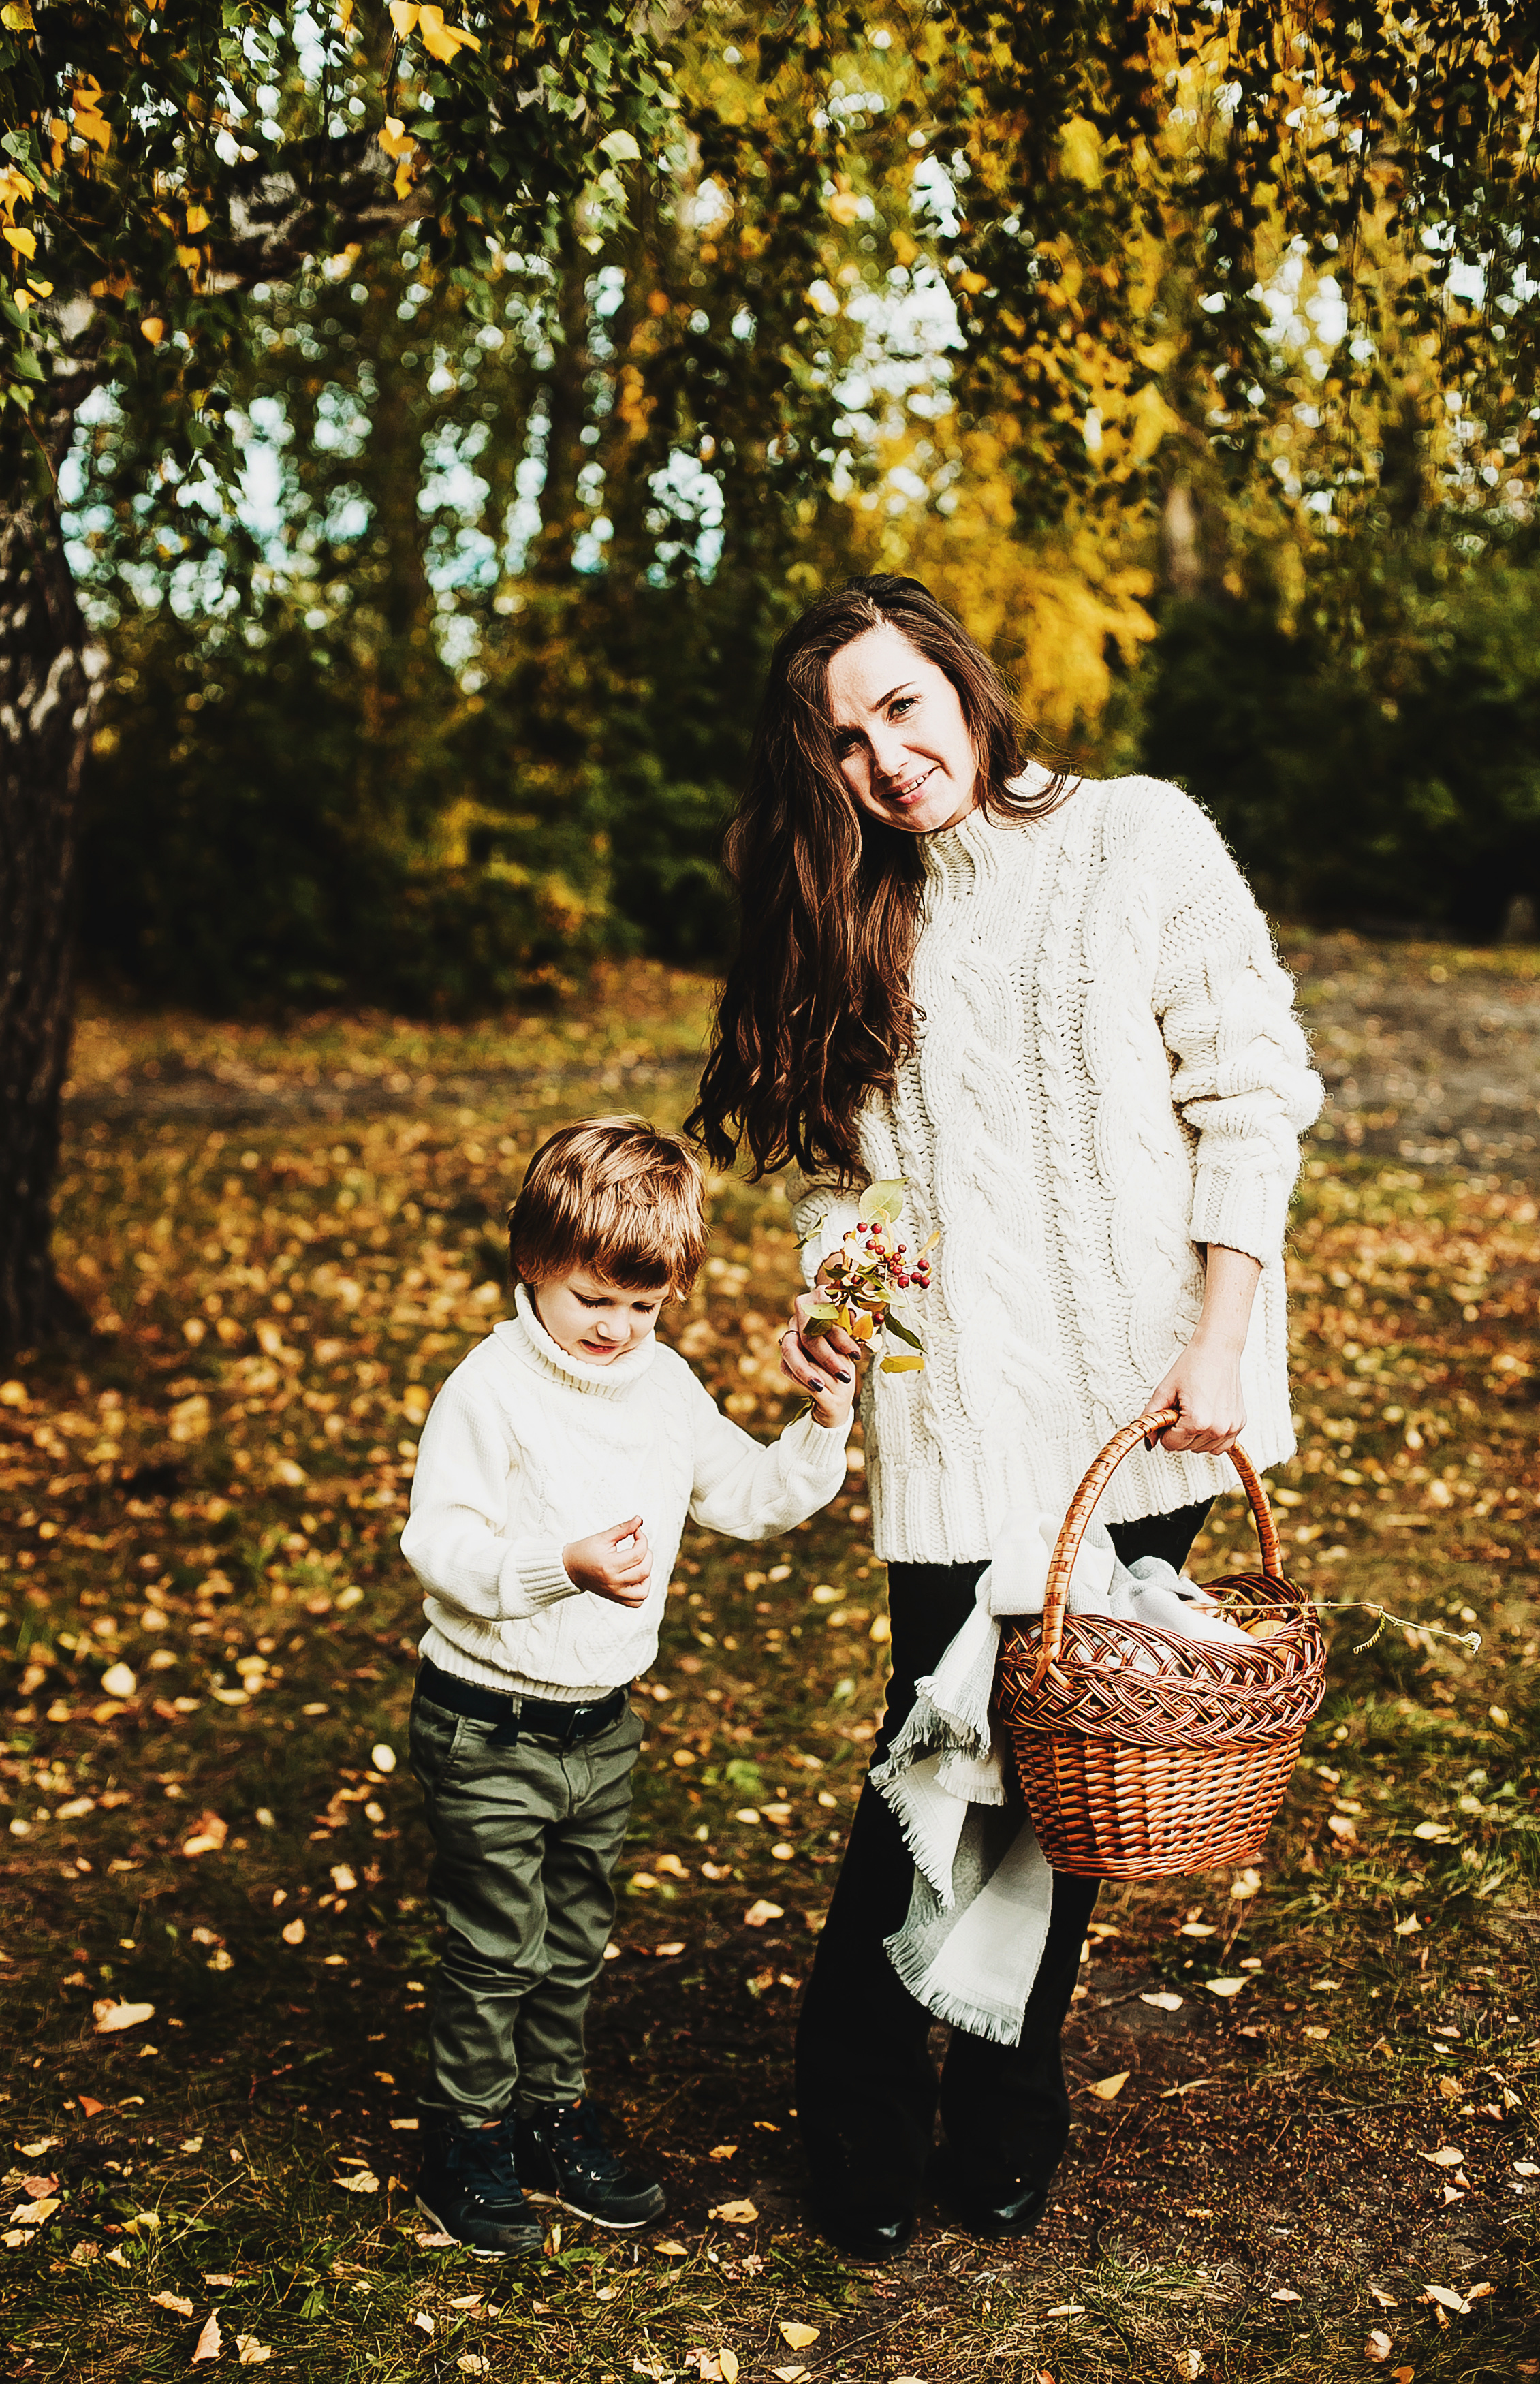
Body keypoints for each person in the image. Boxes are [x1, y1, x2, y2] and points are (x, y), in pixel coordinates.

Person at [689, 574, 1323, 2259]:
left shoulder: (1139, 840)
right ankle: (862, 2103)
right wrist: (833, 1327)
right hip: (960, 1422)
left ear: (963, 685)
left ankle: (1008, 2098)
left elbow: (1254, 1089)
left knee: (1071, 1764)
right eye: (844, 741)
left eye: (904, 707)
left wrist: (1218, 1336)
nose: (887, 758)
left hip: (1145, 1406)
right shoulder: (857, 917)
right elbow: (853, 1199)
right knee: (931, 1752)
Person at [399, 1114, 855, 2255]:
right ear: (532, 1264)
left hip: (601, 1729)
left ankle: (552, 2116)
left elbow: (747, 1497)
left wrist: (824, 1422)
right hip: (488, 1723)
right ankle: (466, 2138)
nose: (616, 1329)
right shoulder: (487, 1393)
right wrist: (560, 1569)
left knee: (572, 1938)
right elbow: (440, 1553)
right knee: (493, 1942)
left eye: (643, 1307)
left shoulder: (660, 1386)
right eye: (592, 1299)